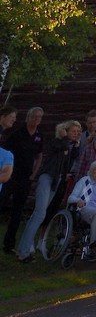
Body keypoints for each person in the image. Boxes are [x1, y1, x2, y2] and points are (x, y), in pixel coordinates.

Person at [17, 119, 82, 261]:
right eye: (73, 131)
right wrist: (64, 137)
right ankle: (24, 252)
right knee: (40, 214)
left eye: (78, 132)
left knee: (38, 214)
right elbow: (59, 148)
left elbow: (71, 160)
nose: (76, 134)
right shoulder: (57, 142)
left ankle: (23, 248)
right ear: (66, 131)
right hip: (47, 177)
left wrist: (75, 146)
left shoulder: (70, 146)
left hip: (56, 181)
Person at [1, 106, 43, 255]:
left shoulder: (39, 136)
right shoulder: (16, 133)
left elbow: (39, 156)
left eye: (39, 118)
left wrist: (33, 174)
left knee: (17, 212)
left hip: (25, 179)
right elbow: (4, 152)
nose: (36, 120)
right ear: (28, 118)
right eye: (34, 117)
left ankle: (8, 244)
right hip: (10, 176)